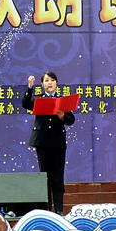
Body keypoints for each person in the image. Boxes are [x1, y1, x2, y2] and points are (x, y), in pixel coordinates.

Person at [22, 71, 75, 216]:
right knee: (45, 176)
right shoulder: (38, 99)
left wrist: (63, 116)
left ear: (56, 83)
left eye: (52, 80)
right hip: (42, 142)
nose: (49, 83)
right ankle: (46, 210)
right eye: (46, 80)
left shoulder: (62, 100)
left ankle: (59, 210)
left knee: (58, 177)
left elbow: (71, 119)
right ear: (42, 84)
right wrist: (30, 87)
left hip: (58, 142)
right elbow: (25, 104)